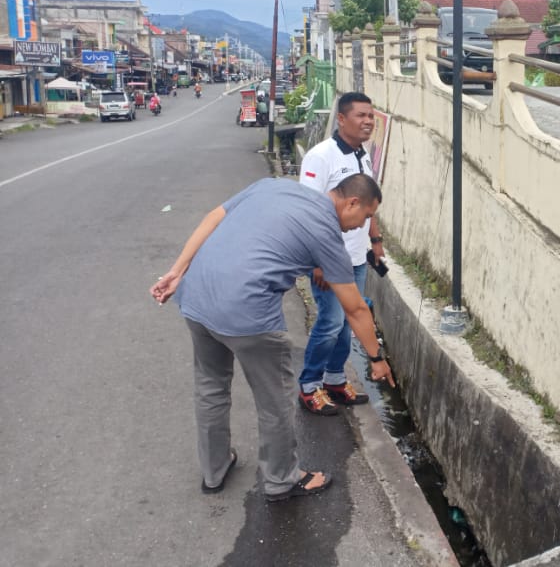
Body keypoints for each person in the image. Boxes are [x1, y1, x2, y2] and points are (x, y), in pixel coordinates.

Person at [150, 174, 395, 503]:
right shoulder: (326, 232)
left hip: (196, 299)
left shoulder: (273, 185)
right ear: (351, 202)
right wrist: (376, 359)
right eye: (365, 217)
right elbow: (355, 309)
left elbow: (213, 217)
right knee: (275, 399)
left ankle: (214, 471)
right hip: (248, 314)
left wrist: (177, 271)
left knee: (210, 387)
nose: (361, 226)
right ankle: (281, 480)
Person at [297, 92, 385, 414]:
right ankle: (309, 385)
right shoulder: (321, 156)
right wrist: (317, 262)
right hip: (327, 260)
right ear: (342, 119)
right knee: (331, 323)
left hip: (356, 258)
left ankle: (335, 379)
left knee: (349, 322)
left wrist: (374, 241)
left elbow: (367, 204)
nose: (368, 122)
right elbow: (308, 211)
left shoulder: (364, 156)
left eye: (371, 116)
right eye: (361, 116)